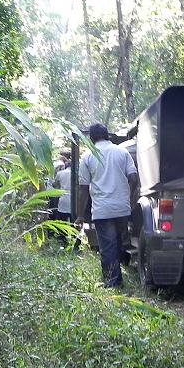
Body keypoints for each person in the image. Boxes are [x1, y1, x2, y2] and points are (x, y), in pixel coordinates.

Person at [76, 123, 138, 288]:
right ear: (107, 136)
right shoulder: (122, 152)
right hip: (122, 208)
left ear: (91, 138)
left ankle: (113, 282)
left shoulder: (88, 156)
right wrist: (129, 198)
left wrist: (81, 215)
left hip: (103, 209)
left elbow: (83, 187)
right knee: (117, 243)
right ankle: (117, 278)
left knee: (108, 246)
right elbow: (133, 178)